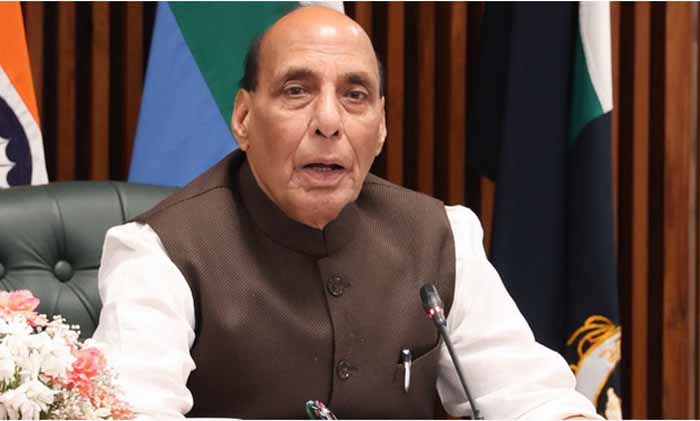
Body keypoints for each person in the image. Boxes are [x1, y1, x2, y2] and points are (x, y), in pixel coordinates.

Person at [93, 6, 600, 420]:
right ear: (244, 118)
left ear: (381, 127)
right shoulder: (160, 251)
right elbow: (131, 410)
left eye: (355, 96)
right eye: (297, 91)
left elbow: (532, 397)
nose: (329, 121)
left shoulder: (442, 237)